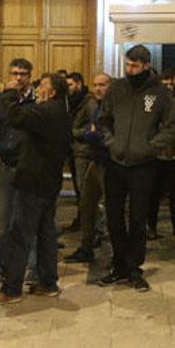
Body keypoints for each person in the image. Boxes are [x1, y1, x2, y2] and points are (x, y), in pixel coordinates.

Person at [0, 73, 72, 305]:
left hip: (33, 182)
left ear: (52, 92)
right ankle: (48, 282)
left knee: (19, 235)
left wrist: (11, 93)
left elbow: (15, 117)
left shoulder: (46, 111)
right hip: (49, 182)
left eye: (42, 86)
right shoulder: (61, 111)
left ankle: (11, 289)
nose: (37, 88)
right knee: (45, 233)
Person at [98, 45, 175, 292]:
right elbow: (104, 120)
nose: (129, 69)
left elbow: (171, 127)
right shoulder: (117, 88)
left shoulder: (160, 92)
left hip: (144, 165)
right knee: (113, 215)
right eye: (127, 64)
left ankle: (134, 267)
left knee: (138, 217)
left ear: (146, 65)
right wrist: (111, 142)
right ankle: (118, 263)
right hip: (116, 161)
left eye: (134, 65)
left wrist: (151, 147)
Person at [0, 59, 32, 283]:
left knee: (24, 220)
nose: (18, 77)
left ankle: (25, 267)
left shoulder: (36, 101)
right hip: (3, 165)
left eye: (23, 74)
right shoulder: (0, 101)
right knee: (0, 220)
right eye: (14, 73)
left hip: (27, 168)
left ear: (30, 76)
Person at [65, 73, 112, 264]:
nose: (98, 88)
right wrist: (90, 133)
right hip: (95, 158)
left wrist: (90, 134)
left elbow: (103, 135)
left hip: (108, 161)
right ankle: (86, 247)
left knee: (110, 207)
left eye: (102, 85)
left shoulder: (112, 107)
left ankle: (114, 252)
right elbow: (93, 132)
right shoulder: (95, 106)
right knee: (86, 204)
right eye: (95, 85)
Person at [148, 70, 175, 240]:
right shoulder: (150, 102)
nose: (168, 87)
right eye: (165, 84)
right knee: (153, 193)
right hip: (156, 154)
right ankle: (151, 227)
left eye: (170, 84)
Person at [63, 72, 89, 234]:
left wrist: (72, 132)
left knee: (85, 190)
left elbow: (94, 127)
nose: (68, 88)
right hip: (73, 149)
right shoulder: (70, 102)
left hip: (83, 151)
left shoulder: (88, 102)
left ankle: (87, 224)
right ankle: (82, 220)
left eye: (70, 85)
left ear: (79, 84)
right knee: (80, 191)